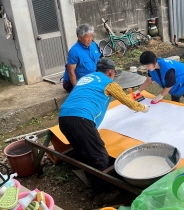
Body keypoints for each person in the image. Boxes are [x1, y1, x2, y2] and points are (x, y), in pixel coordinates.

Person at [58, 58, 149, 205]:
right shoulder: (109, 83)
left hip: (64, 118)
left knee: (83, 152)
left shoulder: (86, 78)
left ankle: (92, 180)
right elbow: (128, 102)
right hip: (81, 119)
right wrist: (144, 108)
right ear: (111, 72)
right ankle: (103, 194)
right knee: (100, 157)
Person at [61, 23, 102, 92]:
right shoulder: (74, 51)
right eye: (87, 37)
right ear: (79, 37)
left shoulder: (94, 45)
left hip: (93, 78)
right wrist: (77, 90)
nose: (90, 39)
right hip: (78, 81)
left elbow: (99, 61)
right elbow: (71, 72)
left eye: (91, 36)